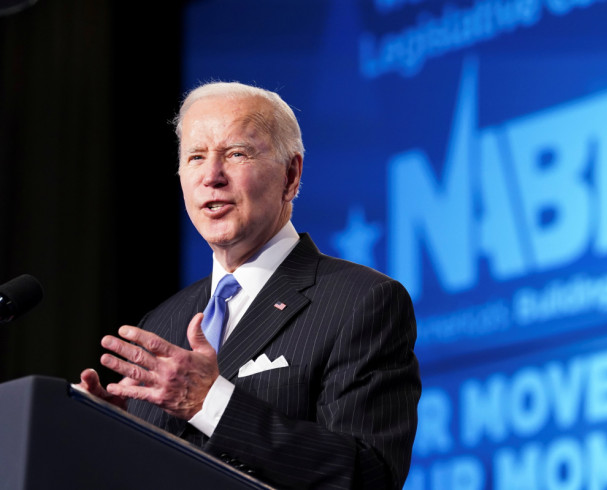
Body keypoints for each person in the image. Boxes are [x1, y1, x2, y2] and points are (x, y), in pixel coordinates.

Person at [77, 82, 421, 489]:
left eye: (236, 154)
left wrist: (211, 403)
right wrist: (112, 435)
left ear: (291, 176)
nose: (211, 176)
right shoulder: (163, 322)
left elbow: (368, 476)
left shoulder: (361, 302)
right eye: (195, 157)